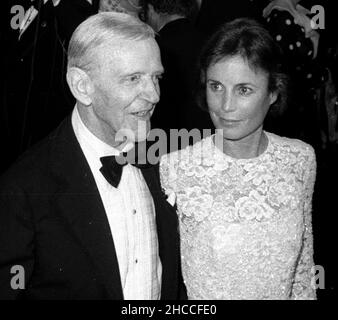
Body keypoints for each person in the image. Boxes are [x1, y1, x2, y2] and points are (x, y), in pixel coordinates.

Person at [0, 12, 185, 300]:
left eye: (155, 77)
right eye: (133, 78)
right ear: (82, 86)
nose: (153, 94)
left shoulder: (167, 157)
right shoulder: (23, 189)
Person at [160, 18, 317, 299]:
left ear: (273, 92)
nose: (226, 106)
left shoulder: (300, 159)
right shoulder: (175, 169)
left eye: (244, 90)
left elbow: (303, 273)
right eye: (216, 86)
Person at [145, 0, 211, 132]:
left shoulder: (152, 49)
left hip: (163, 141)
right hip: (208, 136)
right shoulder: (211, 43)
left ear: (151, 10)